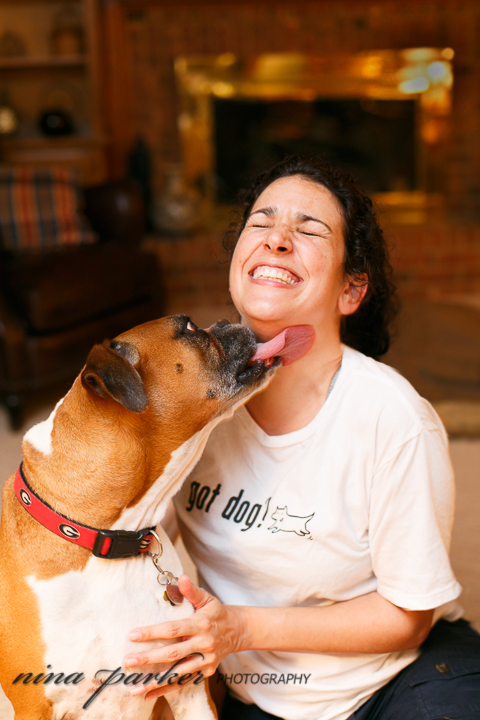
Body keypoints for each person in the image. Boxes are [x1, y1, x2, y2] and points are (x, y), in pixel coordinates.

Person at [124, 156, 480, 720]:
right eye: (260, 224)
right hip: (254, 696)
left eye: (309, 230)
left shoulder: (394, 420)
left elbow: (407, 616)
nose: (278, 240)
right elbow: (140, 539)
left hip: (395, 683)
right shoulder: (192, 406)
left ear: (350, 290)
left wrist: (239, 628)